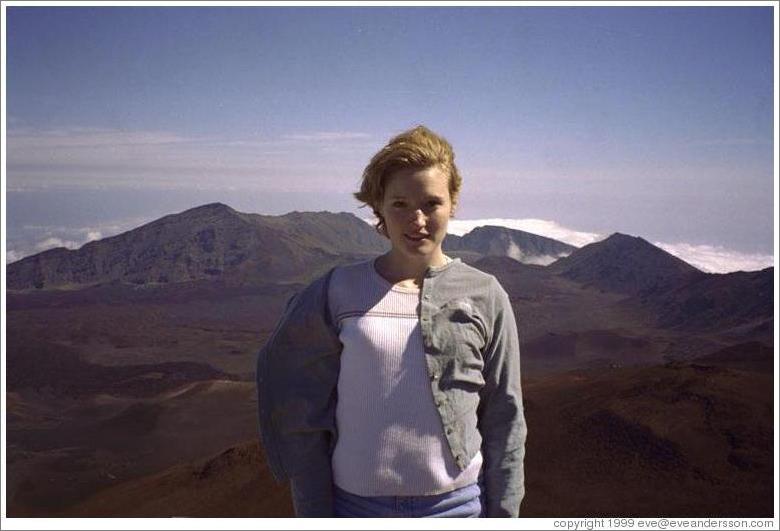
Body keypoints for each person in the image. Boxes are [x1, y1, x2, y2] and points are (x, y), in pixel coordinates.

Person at [256, 125, 527, 518]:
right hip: (356, 509)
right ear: (378, 207)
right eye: (400, 204)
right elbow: (299, 409)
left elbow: (505, 418)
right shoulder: (335, 292)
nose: (416, 219)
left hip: (459, 509)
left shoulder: (486, 295)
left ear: (453, 204)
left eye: (431, 203)